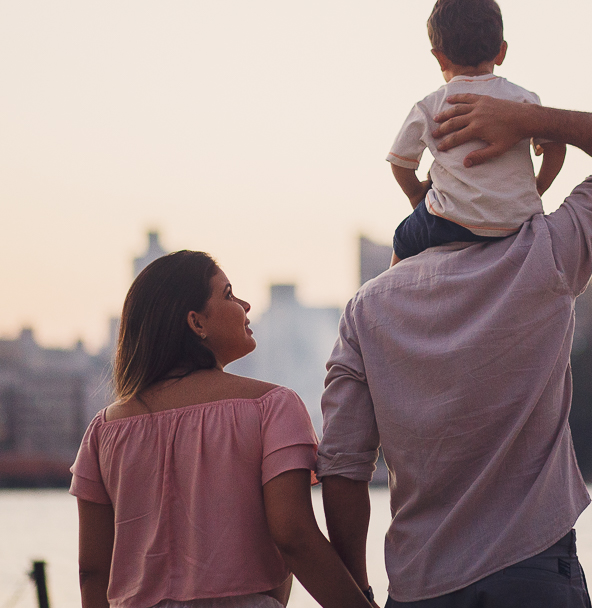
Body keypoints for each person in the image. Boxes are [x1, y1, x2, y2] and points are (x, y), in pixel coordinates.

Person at [319, 94, 592, 606]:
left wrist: (357, 593)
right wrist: (534, 121)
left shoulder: (366, 309)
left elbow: (343, 469)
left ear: (435, 188)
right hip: (534, 573)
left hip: (422, 584)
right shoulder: (549, 253)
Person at [70, 251, 374, 608]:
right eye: (229, 294)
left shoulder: (104, 431)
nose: (245, 305)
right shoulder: (271, 407)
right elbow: (294, 536)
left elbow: (92, 572)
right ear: (196, 322)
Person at [387, 0, 566, 262]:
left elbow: (400, 163)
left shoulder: (429, 106)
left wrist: (415, 195)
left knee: (403, 239)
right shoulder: (524, 100)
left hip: (450, 221)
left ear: (440, 58)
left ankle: (391, 289)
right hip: (518, 221)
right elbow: (556, 148)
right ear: (501, 52)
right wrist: (537, 188)